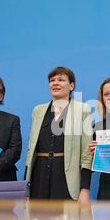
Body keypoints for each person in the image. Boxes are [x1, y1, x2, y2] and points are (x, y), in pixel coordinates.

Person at [24, 67, 92, 204]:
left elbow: (86, 154)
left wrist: (84, 190)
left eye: (61, 80)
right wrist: (25, 188)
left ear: (71, 86)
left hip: (66, 179)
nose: (55, 83)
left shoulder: (83, 109)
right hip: (39, 176)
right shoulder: (38, 110)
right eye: (52, 80)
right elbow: (31, 151)